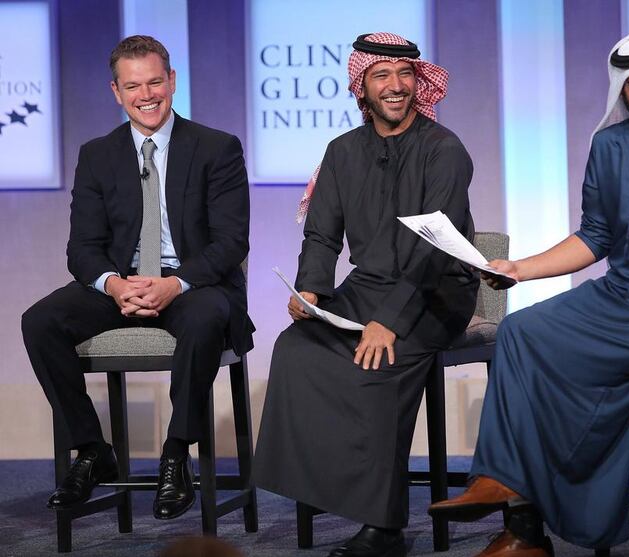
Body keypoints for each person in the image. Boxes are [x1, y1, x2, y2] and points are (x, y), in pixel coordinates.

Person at [428, 28, 629, 556]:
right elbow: (595, 237)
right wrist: (520, 269)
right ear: (623, 90)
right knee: (519, 331)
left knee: (561, 363)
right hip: (618, 294)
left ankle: (522, 523)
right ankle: (504, 487)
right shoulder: (607, 145)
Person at [252, 32, 478, 557]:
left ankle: (385, 526)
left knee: (376, 363)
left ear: (419, 84)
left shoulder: (445, 150)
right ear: (362, 88)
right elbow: (323, 234)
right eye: (383, 76)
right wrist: (310, 289)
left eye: (405, 76)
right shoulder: (341, 152)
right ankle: (326, 488)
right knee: (296, 349)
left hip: (436, 291)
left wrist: (391, 321)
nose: (396, 87)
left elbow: (434, 248)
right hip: (367, 288)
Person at [21, 35, 253, 521]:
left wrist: (175, 283)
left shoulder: (217, 148)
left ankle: (176, 453)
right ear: (116, 92)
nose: (145, 95)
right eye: (133, 86)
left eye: (154, 82)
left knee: (206, 317)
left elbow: (230, 244)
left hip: (194, 285)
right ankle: (91, 449)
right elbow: (81, 248)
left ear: (172, 81)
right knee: (41, 321)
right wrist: (114, 285)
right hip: (121, 284)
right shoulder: (97, 154)